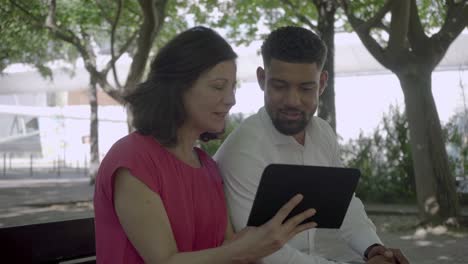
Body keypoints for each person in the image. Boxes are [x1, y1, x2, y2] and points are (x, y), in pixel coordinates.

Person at [93, 26, 318, 264]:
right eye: (218, 87)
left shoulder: (207, 167)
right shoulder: (133, 159)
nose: (231, 100)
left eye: (232, 88)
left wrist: (266, 237)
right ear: (179, 87)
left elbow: (228, 247)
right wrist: (247, 249)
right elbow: (164, 261)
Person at [214, 26, 409, 264]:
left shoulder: (323, 134)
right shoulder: (244, 150)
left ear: (323, 83)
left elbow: (344, 203)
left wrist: (375, 248)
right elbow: (264, 254)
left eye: (306, 88)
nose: (292, 101)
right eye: (279, 86)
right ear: (262, 80)